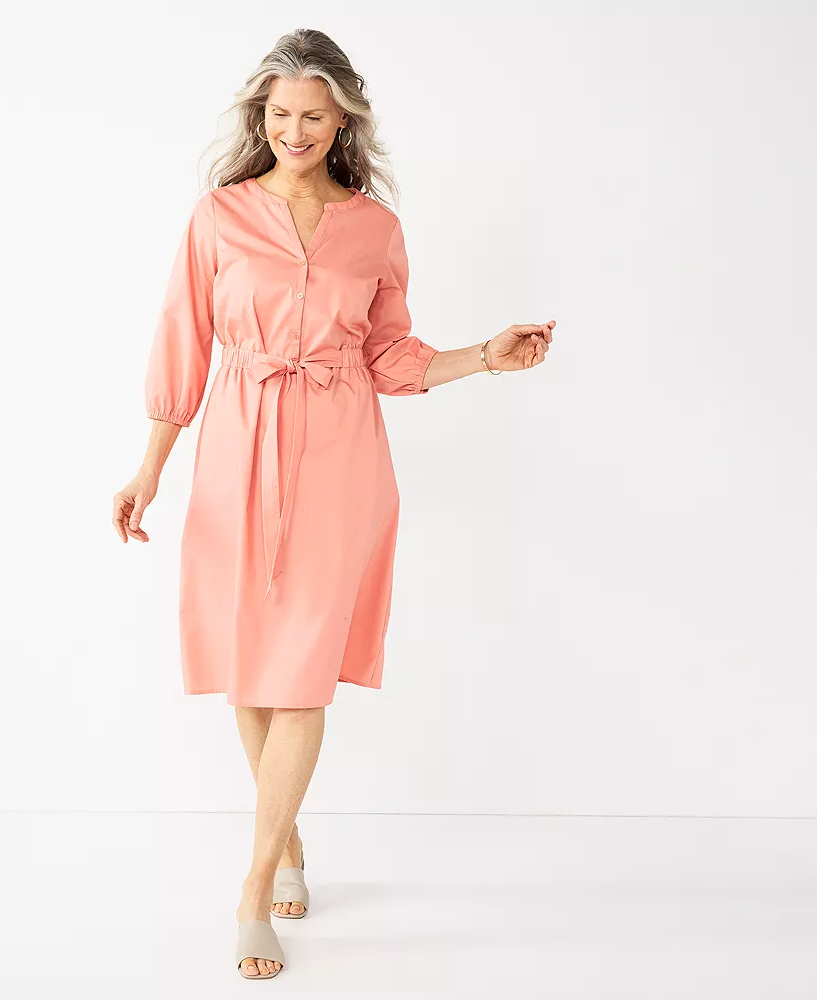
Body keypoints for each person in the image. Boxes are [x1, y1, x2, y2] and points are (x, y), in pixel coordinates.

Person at [112, 27, 555, 981]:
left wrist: (484, 357)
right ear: (260, 117)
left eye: (314, 116)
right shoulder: (219, 216)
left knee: (302, 673)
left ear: (344, 120)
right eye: (280, 114)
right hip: (236, 447)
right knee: (249, 668)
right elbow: (182, 339)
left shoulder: (375, 228)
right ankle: (290, 839)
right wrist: (150, 468)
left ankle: (254, 884)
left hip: (339, 457)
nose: (295, 131)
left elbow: (390, 356)